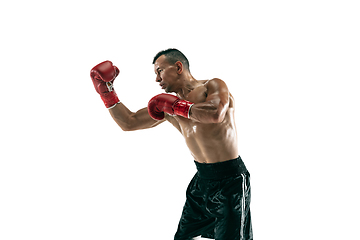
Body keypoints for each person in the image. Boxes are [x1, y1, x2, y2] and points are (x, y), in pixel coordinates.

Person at [90, 49, 253, 240]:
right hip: (202, 180)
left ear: (178, 67)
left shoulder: (212, 85)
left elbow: (215, 113)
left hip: (230, 181)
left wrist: (177, 107)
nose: (157, 79)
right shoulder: (168, 106)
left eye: (159, 71)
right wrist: (107, 92)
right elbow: (129, 122)